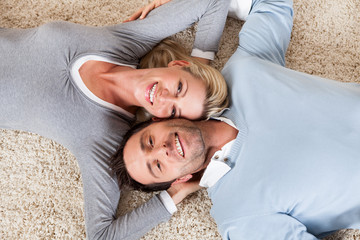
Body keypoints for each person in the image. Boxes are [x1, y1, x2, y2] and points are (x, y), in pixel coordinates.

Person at [113, 0, 360, 239]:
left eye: (149, 142)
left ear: (158, 120)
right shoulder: (239, 216)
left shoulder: (240, 72)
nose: (162, 150)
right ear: (179, 179)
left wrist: (185, 5)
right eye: (157, 166)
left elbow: (271, 3)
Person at [0, 0, 231, 239]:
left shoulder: (102, 137)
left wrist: (174, 195)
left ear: (159, 121)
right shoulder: (127, 39)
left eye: (172, 111)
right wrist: (200, 64)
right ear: (178, 65)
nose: (164, 97)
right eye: (179, 87)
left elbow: (101, 235)